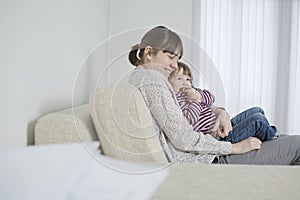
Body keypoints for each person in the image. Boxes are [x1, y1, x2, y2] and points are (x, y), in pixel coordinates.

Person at [128, 25, 300, 164]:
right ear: (149, 53)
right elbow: (184, 138)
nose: (174, 65)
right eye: (170, 57)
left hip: (207, 145)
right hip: (204, 158)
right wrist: (234, 148)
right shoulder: (153, 82)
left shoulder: (143, 78)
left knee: (258, 115)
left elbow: (184, 113)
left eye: (177, 59)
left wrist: (219, 111)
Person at [168, 61, 279, 143]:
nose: (185, 82)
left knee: (257, 110)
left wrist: (199, 96)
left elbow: (211, 97)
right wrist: (195, 101)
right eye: (179, 79)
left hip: (224, 125)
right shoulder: (178, 100)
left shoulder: (195, 92)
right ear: (169, 83)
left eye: (188, 79)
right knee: (257, 120)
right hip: (220, 137)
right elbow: (190, 120)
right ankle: (272, 135)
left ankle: (264, 132)